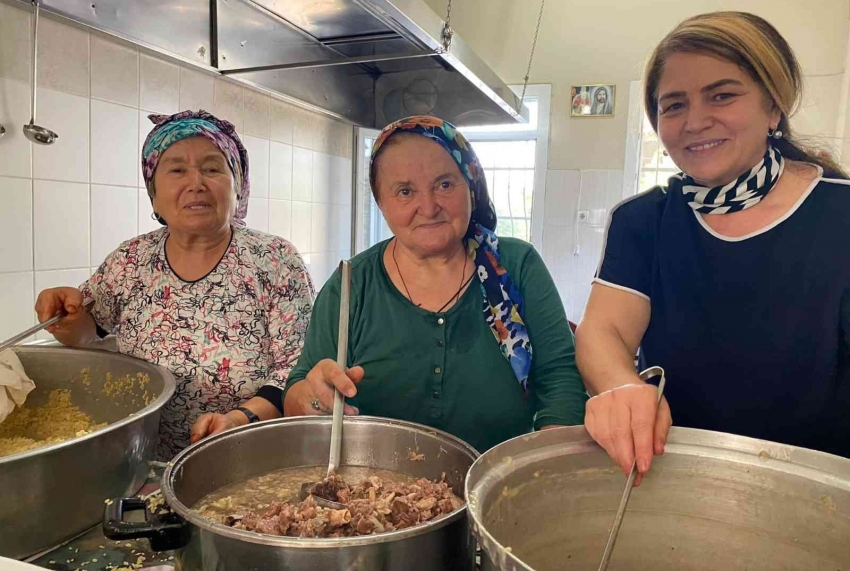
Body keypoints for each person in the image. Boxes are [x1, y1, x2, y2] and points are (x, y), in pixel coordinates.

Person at [577, 11, 850, 485]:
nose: (695, 122)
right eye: (674, 105)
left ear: (773, 107)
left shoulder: (840, 216)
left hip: (819, 493)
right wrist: (621, 386)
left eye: (722, 95)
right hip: (673, 481)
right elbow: (604, 333)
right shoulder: (644, 222)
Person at [282, 115, 586, 453]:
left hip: (500, 483)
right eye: (405, 191)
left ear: (471, 186)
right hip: (371, 488)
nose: (428, 207)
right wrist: (314, 400)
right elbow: (298, 391)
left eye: (444, 184)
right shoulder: (352, 283)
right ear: (381, 203)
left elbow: (561, 381)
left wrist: (540, 469)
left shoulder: (517, 265)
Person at [34, 110, 314, 459]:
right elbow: (90, 331)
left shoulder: (274, 259)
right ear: (153, 193)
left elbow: (298, 365)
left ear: (238, 186)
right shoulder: (130, 260)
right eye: (177, 170)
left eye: (212, 168)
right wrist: (66, 315)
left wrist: (240, 418)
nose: (196, 182)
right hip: (145, 457)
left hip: (250, 457)